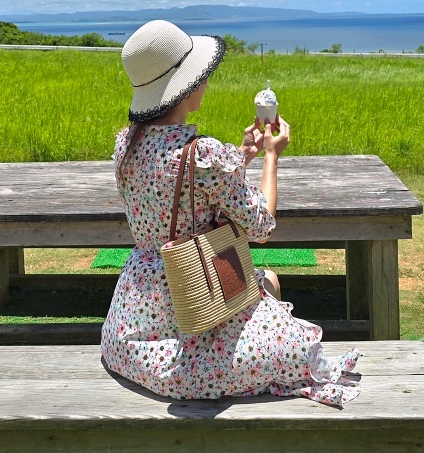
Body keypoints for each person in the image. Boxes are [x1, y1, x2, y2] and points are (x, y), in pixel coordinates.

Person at [100, 20, 361, 407]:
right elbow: (261, 226)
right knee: (291, 341)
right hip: (194, 302)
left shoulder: (128, 144)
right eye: (200, 75)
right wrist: (271, 157)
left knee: (263, 283)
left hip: (132, 324)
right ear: (187, 86)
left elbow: (184, 189)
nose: (205, 82)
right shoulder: (202, 155)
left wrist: (242, 156)